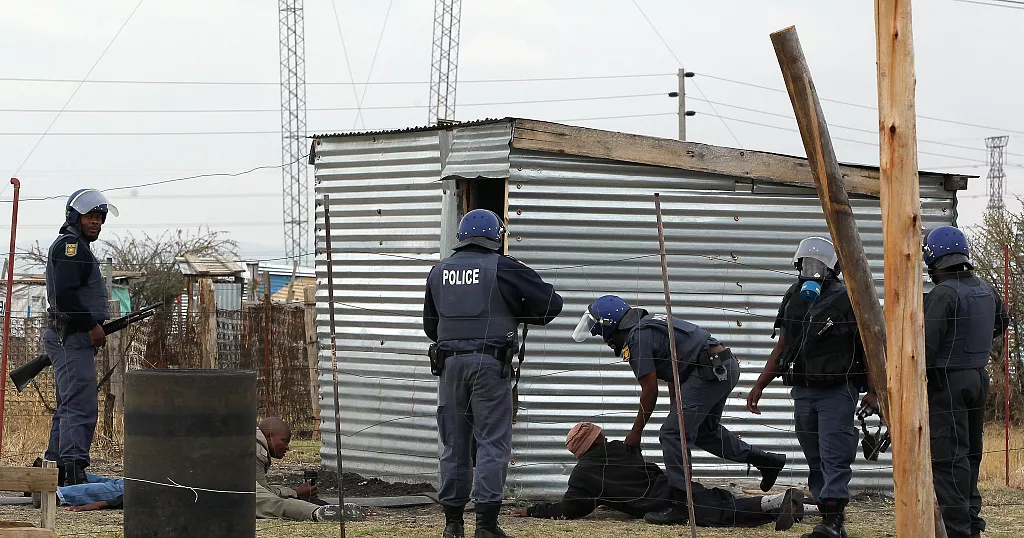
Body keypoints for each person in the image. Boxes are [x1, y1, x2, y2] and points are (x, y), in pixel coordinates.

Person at [573, 295, 787, 525]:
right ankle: (764, 460)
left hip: (708, 372)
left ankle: (682, 504)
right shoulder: (649, 325)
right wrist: (678, 406)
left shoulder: (637, 337)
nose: (604, 340)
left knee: (671, 434)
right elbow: (674, 368)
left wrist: (636, 433)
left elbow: (649, 390)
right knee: (705, 432)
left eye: (600, 332)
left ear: (609, 325)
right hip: (722, 365)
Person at [423, 209, 564, 538]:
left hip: (449, 366)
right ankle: (486, 526)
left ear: (461, 238)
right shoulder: (505, 267)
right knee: (491, 442)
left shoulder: (438, 271)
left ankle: (452, 524)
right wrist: (514, 309)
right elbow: (550, 305)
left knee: (455, 444)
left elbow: (431, 327)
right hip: (489, 364)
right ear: (497, 237)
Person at [747, 237, 868, 538]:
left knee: (833, 454)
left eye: (820, 264)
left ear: (832, 268)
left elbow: (869, 346)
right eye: (808, 263)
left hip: (837, 389)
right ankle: (829, 519)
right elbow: (784, 346)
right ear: (800, 265)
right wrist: (759, 385)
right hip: (803, 390)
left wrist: (875, 391)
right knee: (814, 455)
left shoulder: (848, 298)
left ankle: (833, 520)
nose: (813, 268)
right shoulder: (794, 297)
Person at [512, 422, 808, 531]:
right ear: (599, 439)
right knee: (718, 502)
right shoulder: (623, 448)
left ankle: (782, 501)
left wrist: (534, 510)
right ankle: (799, 505)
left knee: (719, 512)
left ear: (579, 452)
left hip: (664, 504)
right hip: (673, 485)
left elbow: (572, 509)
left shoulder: (582, 478)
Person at [921, 226, 1008, 538]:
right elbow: (1002, 322)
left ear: (932, 259)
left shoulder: (943, 294)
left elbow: (925, 348)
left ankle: (960, 530)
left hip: (947, 383)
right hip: (977, 377)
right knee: (971, 453)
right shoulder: (986, 289)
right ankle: (972, 523)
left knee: (947, 459)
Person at [43, 189, 118, 487]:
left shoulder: (76, 247)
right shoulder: (71, 246)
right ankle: (74, 474)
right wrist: (92, 326)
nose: (96, 222)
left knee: (69, 404)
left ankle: (55, 470)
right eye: (90, 217)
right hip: (71, 336)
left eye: (100, 218)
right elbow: (66, 296)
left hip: (72, 337)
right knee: (81, 406)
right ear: (74, 217)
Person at [257, 417, 364, 522]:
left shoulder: (254, 444)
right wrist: (295, 493)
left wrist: (294, 493)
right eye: (284, 440)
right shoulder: (255, 450)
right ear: (269, 436)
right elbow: (261, 493)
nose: (287, 447)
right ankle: (320, 513)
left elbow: (261, 489)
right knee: (272, 504)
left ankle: (324, 510)